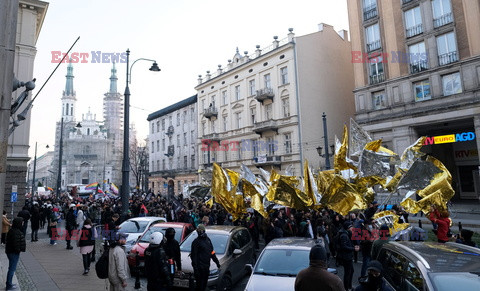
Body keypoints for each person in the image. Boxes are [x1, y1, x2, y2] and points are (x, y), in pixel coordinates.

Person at [190, 224, 220, 291]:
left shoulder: (208, 240)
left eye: (200, 230)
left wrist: (217, 262)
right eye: (198, 230)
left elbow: (211, 252)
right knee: (199, 286)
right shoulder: (196, 242)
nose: (198, 231)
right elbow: (193, 256)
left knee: (204, 285)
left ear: (203, 231)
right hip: (199, 268)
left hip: (206, 267)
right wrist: (195, 268)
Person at [5, 217, 26, 290]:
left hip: (10, 251)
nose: (23, 223)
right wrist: (18, 250)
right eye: (22, 222)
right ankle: (9, 285)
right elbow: (15, 244)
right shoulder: (16, 232)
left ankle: (9, 283)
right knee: (12, 269)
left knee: (11, 268)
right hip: (13, 252)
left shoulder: (12, 230)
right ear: (19, 223)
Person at [336, 221, 357, 291]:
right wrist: (353, 249)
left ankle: (349, 286)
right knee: (348, 272)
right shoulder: (344, 235)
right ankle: (346, 288)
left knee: (351, 271)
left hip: (348, 256)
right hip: (346, 257)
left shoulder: (347, 234)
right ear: (348, 228)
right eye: (351, 227)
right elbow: (344, 246)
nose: (352, 228)